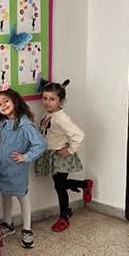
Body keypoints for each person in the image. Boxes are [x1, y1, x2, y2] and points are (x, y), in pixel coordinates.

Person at [35, 79, 94, 232]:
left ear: (60, 101)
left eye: (52, 99)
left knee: (60, 187)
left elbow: (79, 135)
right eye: (45, 98)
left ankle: (64, 217)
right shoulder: (48, 113)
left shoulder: (61, 117)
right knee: (59, 184)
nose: (47, 102)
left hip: (61, 156)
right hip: (52, 155)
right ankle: (85, 184)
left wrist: (70, 150)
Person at [0, 85, 47, 249]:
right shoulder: (4, 123)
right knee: (5, 194)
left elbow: (41, 144)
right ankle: (7, 224)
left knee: (22, 197)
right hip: (3, 168)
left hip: (17, 170)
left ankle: (27, 230)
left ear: (15, 101)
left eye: (6, 101)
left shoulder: (25, 125)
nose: (3, 105)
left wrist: (26, 157)